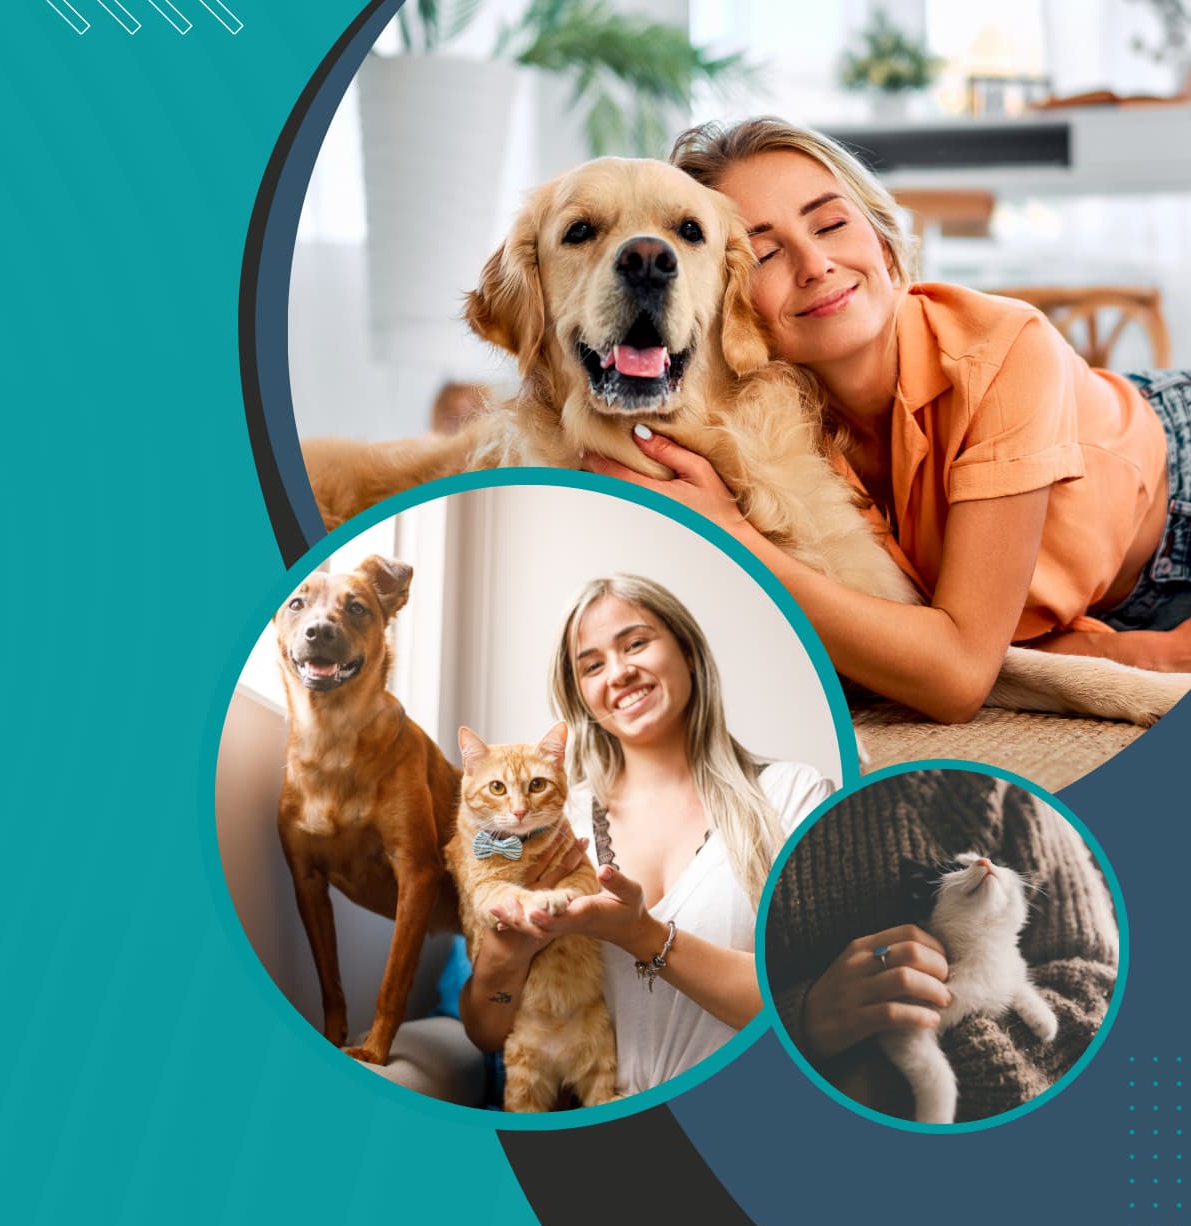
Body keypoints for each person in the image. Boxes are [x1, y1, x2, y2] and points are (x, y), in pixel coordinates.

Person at [588, 116, 1191, 722]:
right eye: (764, 253)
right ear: (719, 296)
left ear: (880, 235)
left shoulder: (1004, 348)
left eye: (832, 224)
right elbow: (909, 644)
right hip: (1079, 608)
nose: (816, 263)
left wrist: (736, 540)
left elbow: (955, 680)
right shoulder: (754, 422)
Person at [454, 575, 834, 1099]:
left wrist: (643, 935)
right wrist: (505, 954)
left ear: (689, 652)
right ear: (581, 697)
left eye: (636, 643)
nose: (619, 671)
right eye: (592, 665)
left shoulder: (790, 796)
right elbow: (489, 1031)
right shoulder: (552, 823)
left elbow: (814, 1002)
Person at [765, 768, 1116, 1123]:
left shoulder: (998, 790)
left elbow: (1098, 990)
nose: (984, 863)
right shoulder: (768, 825)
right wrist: (798, 1024)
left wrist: (881, 1084)